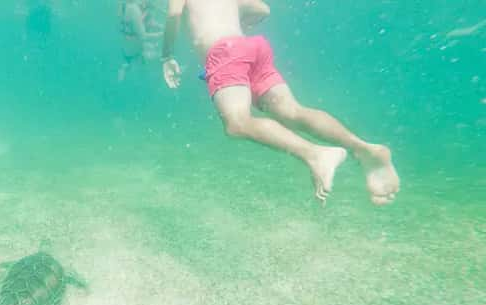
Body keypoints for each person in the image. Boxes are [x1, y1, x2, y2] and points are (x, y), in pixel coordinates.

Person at [161, 0, 400, 205]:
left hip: (224, 53)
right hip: (252, 47)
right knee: (292, 111)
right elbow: (262, 9)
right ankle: (364, 149)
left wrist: (167, 55)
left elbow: (174, 13)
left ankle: (315, 154)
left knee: (237, 123)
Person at [118, 0, 164, 81]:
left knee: (129, 59)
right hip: (135, 49)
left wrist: (160, 27)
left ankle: (126, 66)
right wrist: (162, 34)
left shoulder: (124, 6)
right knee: (155, 53)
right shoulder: (134, 10)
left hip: (126, 48)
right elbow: (143, 36)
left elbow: (148, 22)